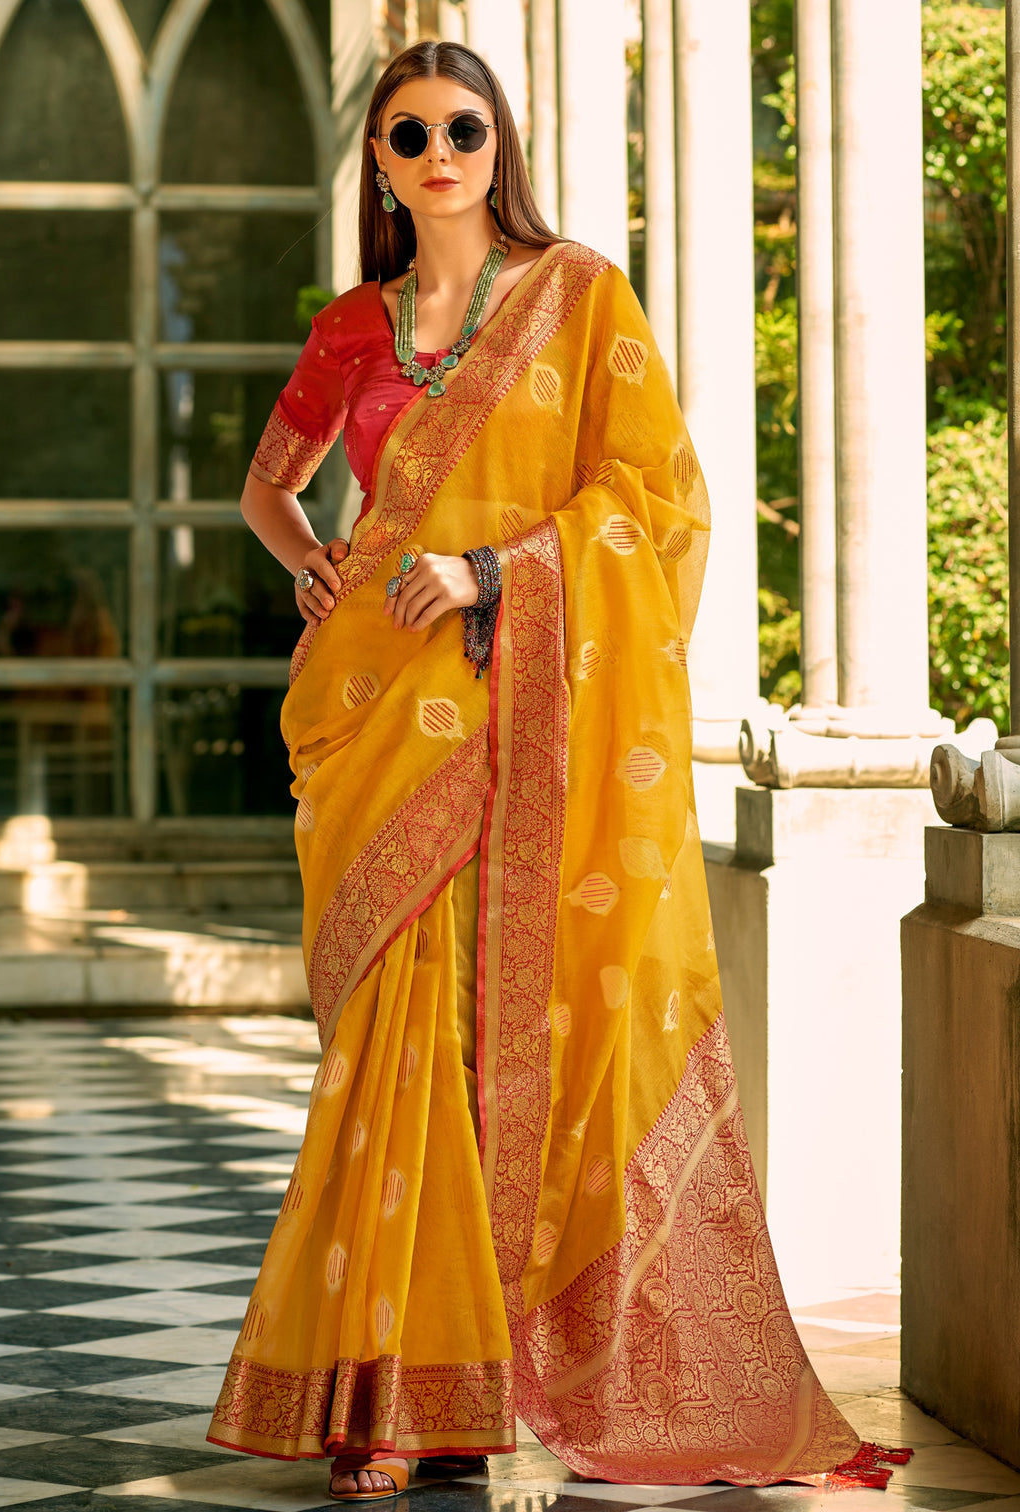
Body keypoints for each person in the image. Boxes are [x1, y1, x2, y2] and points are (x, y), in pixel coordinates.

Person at [207, 39, 906, 1504]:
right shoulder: (354, 329)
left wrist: (490, 568)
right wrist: (320, 567)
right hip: (378, 712)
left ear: (497, 139)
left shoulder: (579, 296)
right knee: (385, 1050)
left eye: (465, 125)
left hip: (509, 696)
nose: (440, 150)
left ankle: (450, 1394)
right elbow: (267, 484)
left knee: (473, 1036)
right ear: (383, 163)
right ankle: (387, 1393)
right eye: (410, 134)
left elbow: (656, 496)